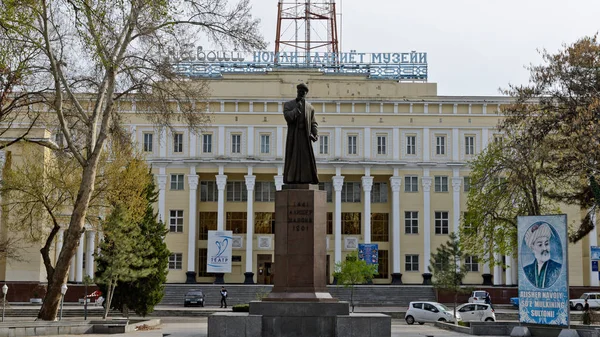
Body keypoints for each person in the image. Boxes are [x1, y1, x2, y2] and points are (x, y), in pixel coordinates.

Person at [282, 83, 319, 184]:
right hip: (294, 137)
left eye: (303, 92)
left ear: (306, 93)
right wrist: (296, 110)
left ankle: (306, 179)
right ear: (297, 92)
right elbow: (288, 117)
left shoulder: (310, 108)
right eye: (300, 92)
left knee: (305, 160)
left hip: (305, 137)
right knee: (293, 159)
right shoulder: (289, 105)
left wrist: (315, 134)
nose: (301, 94)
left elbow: (313, 123)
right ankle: (292, 179)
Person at [522, 222, 562, 288]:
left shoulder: (558, 268)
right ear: (532, 248)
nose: (544, 248)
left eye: (546, 244)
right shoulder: (526, 270)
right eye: (540, 245)